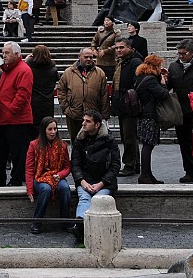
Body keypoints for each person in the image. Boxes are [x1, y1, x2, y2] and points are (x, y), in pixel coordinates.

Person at [69, 110, 120, 242]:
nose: (83, 123)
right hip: (85, 181)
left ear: (97, 125)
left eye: (88, 121)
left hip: (104, 181)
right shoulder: (79, 140)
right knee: (84, 198)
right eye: (83, 120)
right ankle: (80, 225)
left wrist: (101, 184)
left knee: (98, 200)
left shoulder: (109, 140)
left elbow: (115, 166)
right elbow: (75, 164)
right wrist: (82, 182)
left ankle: (93, 231)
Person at [0, 41, 34, 186]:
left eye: (7, 53)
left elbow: (22, 95)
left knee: (17, 153)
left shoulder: (23, 70)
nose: (4, 55)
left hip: (16, 119)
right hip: (4, 118)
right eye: (3, 53)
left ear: (17, 54)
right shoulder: (8, 69)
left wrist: (10, 109)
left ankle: (15, 180)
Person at [26, 117, 71, 234]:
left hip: (57, 176)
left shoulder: (63, 146)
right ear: (43, 130)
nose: (53, 132)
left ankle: (66, 222)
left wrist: (60, 175)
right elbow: (30, 169)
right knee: (46, 189)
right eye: (50, 129)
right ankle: (36, 222)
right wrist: (30, 190)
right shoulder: (34, 145)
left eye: (55, 129)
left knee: (65, 188)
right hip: (40, 177)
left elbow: (67, 167)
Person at [167, 39, 193, 184]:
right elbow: (169, 86)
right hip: (180, 111)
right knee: (184, 142)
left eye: (184, 53)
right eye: (179, 53)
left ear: (192, 53)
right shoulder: (174, 67)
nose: (181, 56)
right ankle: (189, 171)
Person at [57, 48, 110, 144]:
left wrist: (104, 115)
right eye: (86, 57)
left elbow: (104, 95)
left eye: (91, 57)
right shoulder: (68, 72)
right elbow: (61, 90)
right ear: (79, 57)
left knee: (93, 143)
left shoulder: (100, 73)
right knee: (75, 141)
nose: (89, 59)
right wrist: (66, 108)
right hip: (74, 114)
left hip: (93, 115)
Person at [134, 54, 170, 184]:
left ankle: (147, 175)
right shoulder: (150, 80)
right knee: (148, 145)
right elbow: (163, 95)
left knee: (147, 145)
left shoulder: (141, 77)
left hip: (143, 115)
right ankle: (145, 175)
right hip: (149, 116)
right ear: (155, 66)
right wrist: (163, 83)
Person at [111, 38, 143, 177]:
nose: (118, 50)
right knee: (127, 136)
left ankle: (130, 165)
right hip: (122, 104)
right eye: (117, 48)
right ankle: (135, 164)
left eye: (122, 47)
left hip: (130, 104)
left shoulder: (135, 62)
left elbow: (138, 84)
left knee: (129, 136)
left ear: (130, 48)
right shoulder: (121, 62)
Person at [26, 44, 58, 138]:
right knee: (46, 127)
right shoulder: (53, 69)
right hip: (48, 102)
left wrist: (27, 60)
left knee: (33, 131)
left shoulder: (29, 69)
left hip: (33, 103)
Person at [91, 15, 120, 80]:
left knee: (110, 79)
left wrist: (105, 51)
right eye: (105, 20)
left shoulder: (116, 33)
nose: (106, 22)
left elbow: (116, 45)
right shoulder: (100, 32)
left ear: (112, 22)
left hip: (110, 61)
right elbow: (94, 41)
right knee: (98, 78)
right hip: (100, 60)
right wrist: (93, 49)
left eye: (108, 20)